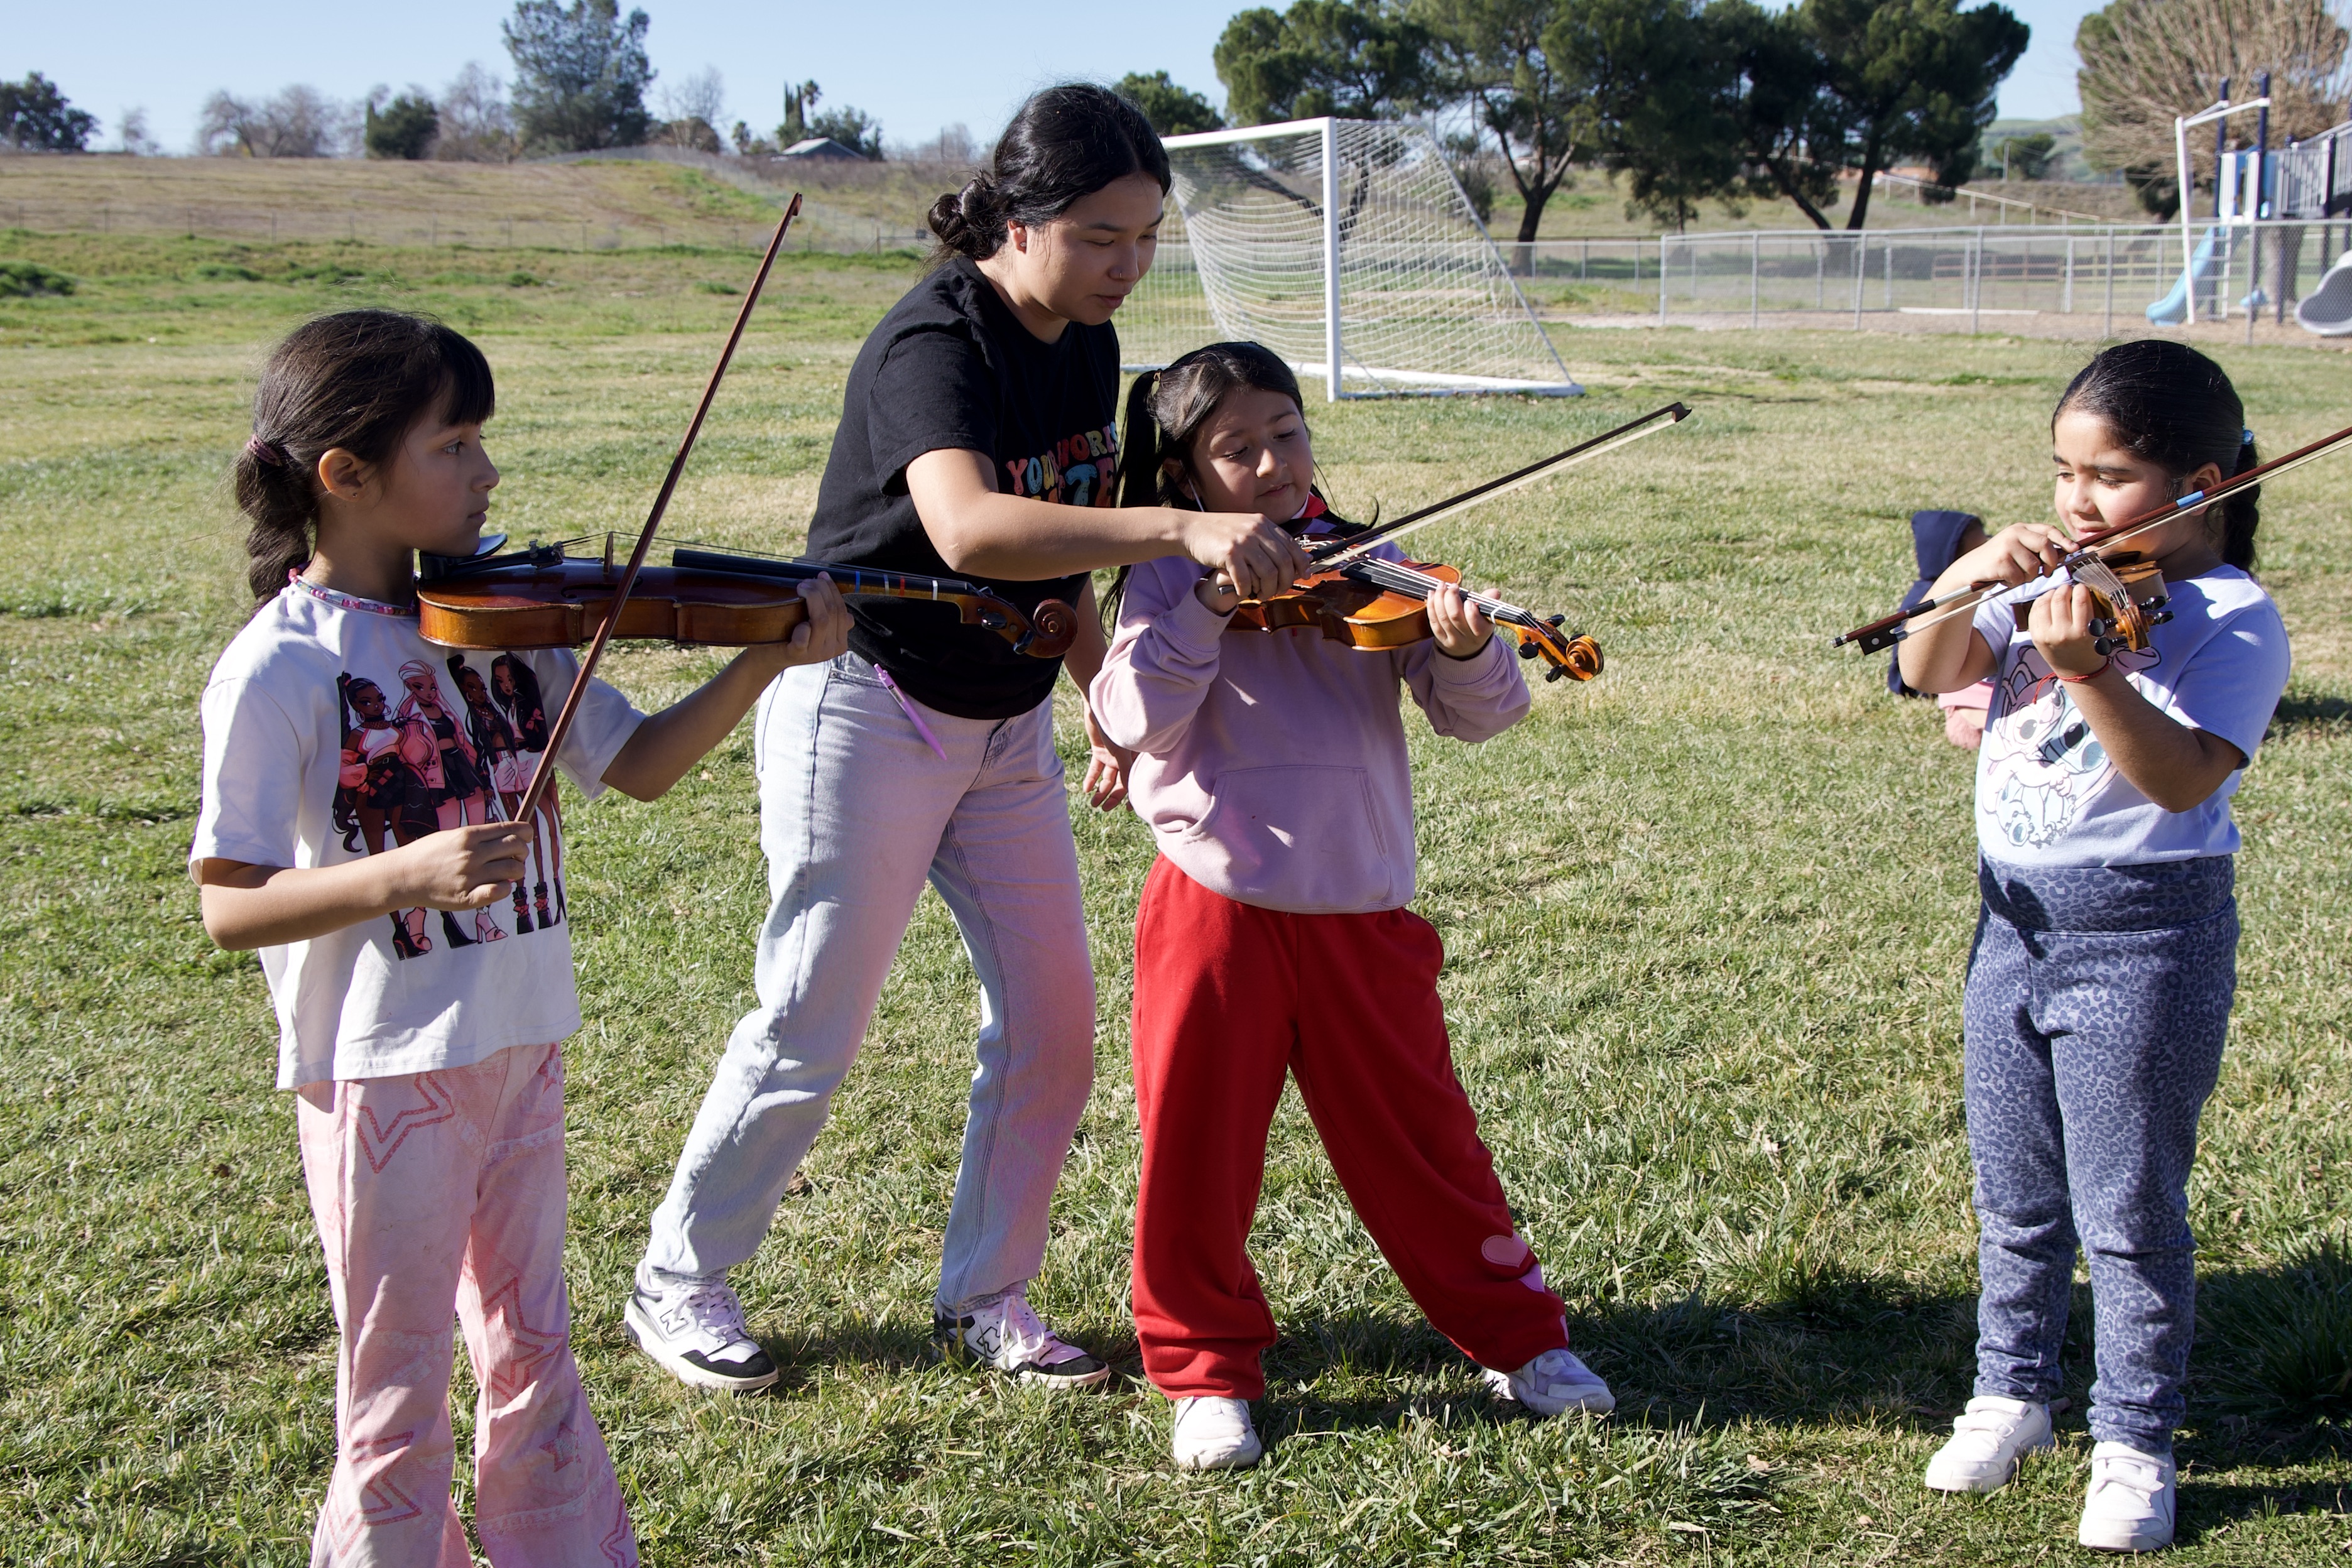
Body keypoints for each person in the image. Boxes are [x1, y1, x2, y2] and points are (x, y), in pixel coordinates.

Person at [625, 84, 1316, 1395]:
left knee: (1053, 1023)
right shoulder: (930, 341)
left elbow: (1053, 558)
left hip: (1004, 727)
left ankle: (986, 1293)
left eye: (1148, 237)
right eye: (1103, 237)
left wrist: (1099, 687)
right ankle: (677, 1282)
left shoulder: (1089, 348)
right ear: (1019, 216)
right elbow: (973, 529)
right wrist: (1182, 529)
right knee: (815, 1013)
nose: (1129, 265)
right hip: (866, 705)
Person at [190, 308, 849, 1565]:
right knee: (395, 1383)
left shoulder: (509, 624)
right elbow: (230, 902)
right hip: (385, 1074)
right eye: (456, 446)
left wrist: (764, 660)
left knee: (533, 1339)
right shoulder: (278, 667)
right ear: (346, 476)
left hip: (522, 1042)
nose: (487, 475)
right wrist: (405, 873)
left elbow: (642, 765)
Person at [1089, 342, 1616, 1471]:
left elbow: (1483, 716)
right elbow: (1127, 713)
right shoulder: (1167, 575)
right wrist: (1212, 606)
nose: (1274, 463)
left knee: (1425, 1142)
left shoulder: (1376, 564)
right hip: (1214, 906)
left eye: (1287, 432)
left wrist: (1467, 651)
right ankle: (1205, 1372)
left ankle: (1518, 1337)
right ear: (1185, 480)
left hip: (1360, 908)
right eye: (1238, 449)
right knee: (1195, 1148)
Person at [1895, 340, 2290, 1554]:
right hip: (2009, 922)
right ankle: (2011, 1392)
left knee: (2124, 1206)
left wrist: (2092, 669)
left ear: (2203, 483)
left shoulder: (2232, 619)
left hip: (2144, 938)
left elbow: (2177, 781)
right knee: (2014, 1192)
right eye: (2064, 472)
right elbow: (1926, 668)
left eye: (2109, 476)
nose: (2076, 502)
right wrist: (1967, 575)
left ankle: (2134, 1439)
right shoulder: (2047, 580)